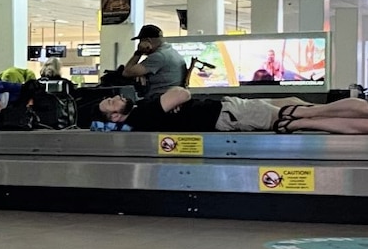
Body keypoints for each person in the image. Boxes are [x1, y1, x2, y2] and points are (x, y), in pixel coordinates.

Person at [97, 86, 368, 134]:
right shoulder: (143, 113)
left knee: (302, 108)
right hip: (232, 114)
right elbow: (181, 93)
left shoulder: (140, 117)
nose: (116, 96)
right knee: (314, 113)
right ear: (116, 116)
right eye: (111, 102)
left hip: (231, 111)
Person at [121, 24, 187, 96]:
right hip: (170, 96)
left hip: (158, 99)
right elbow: (136, 71)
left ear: (148, 41)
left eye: (141, 41)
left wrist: (139, 52)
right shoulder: (170, 52)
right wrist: (142, 74)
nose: (140, 44)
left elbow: (126, 72)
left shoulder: (159, 56)